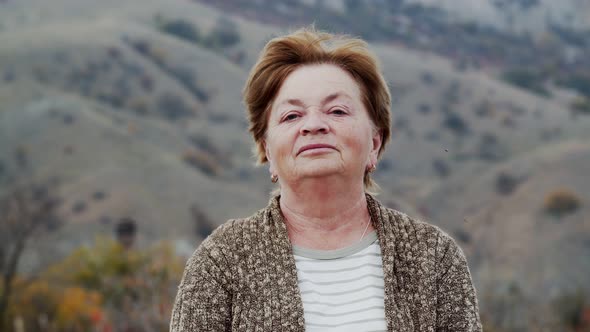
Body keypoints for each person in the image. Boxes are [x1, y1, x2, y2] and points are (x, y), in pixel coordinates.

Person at [170, 27, 482, 332]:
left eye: (336, 111)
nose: (314, 125)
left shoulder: (434, 256)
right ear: (267, 148)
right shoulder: (222, 260)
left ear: (374, 143)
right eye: (292, 116)